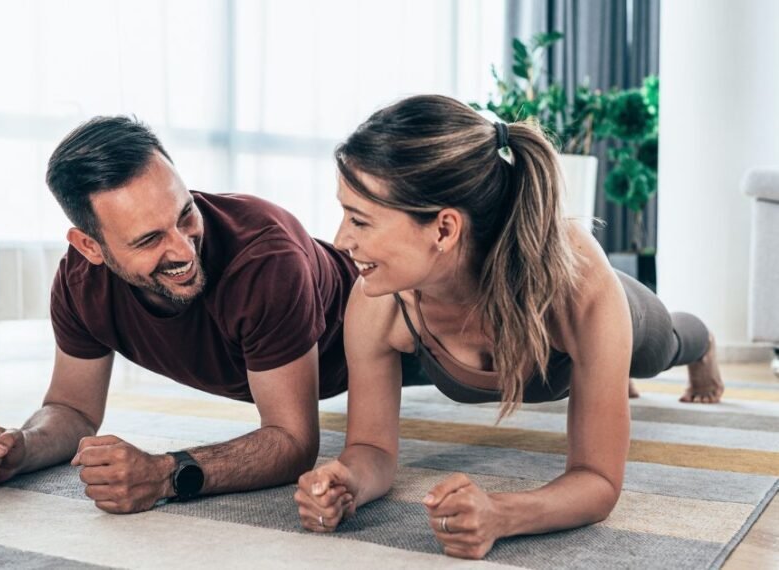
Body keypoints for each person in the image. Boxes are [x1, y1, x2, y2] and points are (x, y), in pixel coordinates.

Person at [293, 95, 724, 559]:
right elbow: (371, 445)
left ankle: (700, 345)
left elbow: (598, 480)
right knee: (610, 374)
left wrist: (502, 513)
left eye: (359, 220)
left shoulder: (582, 289)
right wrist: (350, 479)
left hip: (612, 310)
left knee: (663, 349)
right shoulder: (379, 303)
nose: (340, 240)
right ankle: (605, 377)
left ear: (443, 229)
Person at [0, 116, 358, 514]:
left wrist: (166, 473)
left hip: (396, 314)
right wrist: (20, 448)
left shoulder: (265, 259)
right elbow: (73, 409)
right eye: (149, 239)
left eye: (185, 214)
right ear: (90, 247)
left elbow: (293, 441)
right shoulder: (80, 283)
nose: (184, 251)